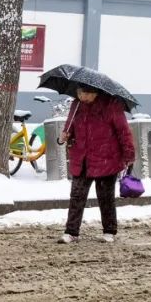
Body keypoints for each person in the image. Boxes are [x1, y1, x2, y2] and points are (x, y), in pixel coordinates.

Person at [56, 85, 135, 244]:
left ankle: (109, 231)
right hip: (82, 159)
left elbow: (123, 131)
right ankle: (71, 232)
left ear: (95, 93)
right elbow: (69, 127)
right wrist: (63, 137)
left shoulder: (111, 105)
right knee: (77, 196)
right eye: (79, 92)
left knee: (105, 197)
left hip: (107, 158)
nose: (82, 97)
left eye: (85, 93)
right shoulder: (76, 104)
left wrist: (129, 155)